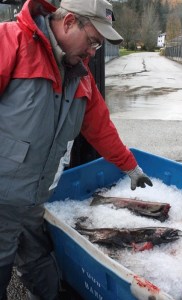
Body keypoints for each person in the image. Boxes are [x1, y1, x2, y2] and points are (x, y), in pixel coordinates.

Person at [0, 0, 153, 299]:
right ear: (69, 21)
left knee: (39, 260)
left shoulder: (81, 77)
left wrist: (130, 167)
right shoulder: (11, 41)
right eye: (93, 41)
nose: (93, 53)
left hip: (34, 200)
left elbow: (101, 130)